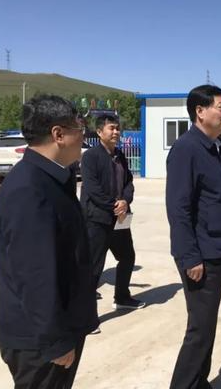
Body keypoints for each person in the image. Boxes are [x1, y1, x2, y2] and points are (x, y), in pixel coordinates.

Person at [0, 95, 98, 388]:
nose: (84, 137)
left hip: (56, 327)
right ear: (58, 134)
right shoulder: (29, 189)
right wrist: (55, 341)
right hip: (39, 342)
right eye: (80, 129)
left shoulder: (52, 179)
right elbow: (34, 274)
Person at [166, 85, 221, 389]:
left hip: (217, 247)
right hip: (202, 254)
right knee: (199, 328)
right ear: (200, 111)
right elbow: (178, 207)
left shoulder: (213, 146)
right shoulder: (187, 149)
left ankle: (199, 381)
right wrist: (189, 256)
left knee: (207, 324)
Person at [80, 114, 144, 322]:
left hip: (120, 218)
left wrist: (125, 201)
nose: (116, 132)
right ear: (99, 132)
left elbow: (128, 182)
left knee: (127, 257)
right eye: (111, 128)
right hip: (97, 219)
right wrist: (113, 205)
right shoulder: (91, 157)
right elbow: (92, 189)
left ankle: (122, 297)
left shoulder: (120, 155)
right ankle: (86, 317)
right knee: (94, 267)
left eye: (117, 128)